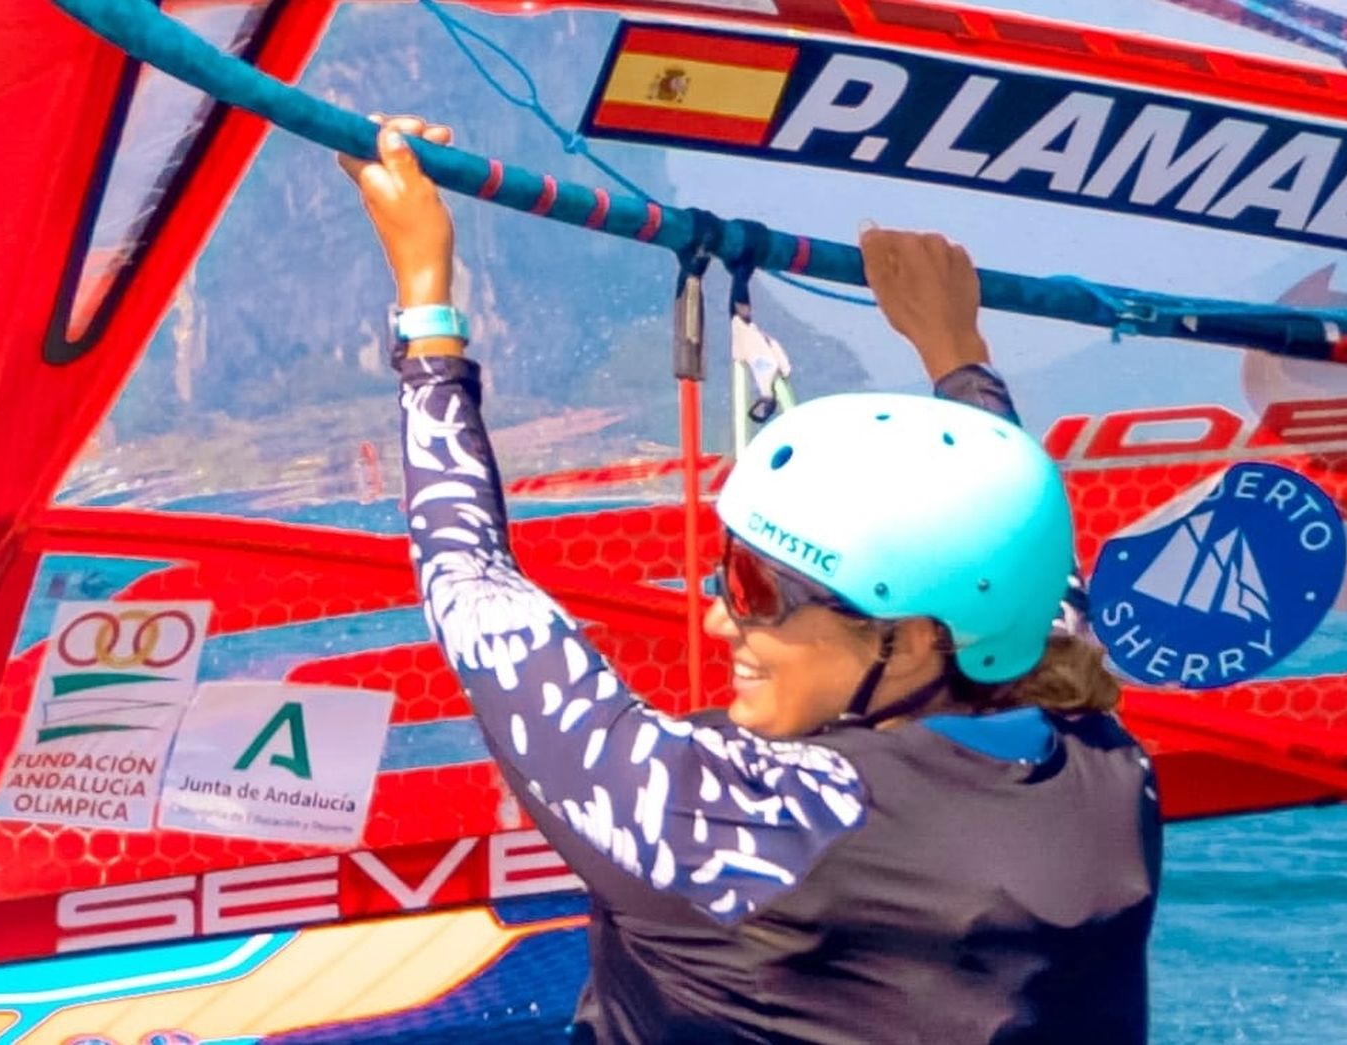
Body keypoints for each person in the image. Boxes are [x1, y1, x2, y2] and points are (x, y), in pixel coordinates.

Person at [342, 117, 1160, 1044]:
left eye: (757, 588)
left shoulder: (753, 826)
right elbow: (1020, 561)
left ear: (916, 636)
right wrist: (954, 352)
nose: (720, 618)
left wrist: (424, 298)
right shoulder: (1104, 765)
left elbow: (470, 579)